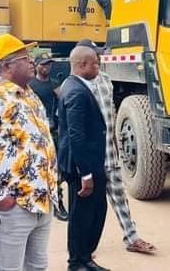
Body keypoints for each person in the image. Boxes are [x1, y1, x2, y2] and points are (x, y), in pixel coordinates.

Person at [0, 34, 58, 271]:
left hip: (42, 200)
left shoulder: (31, 95)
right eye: (25, 58)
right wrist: (0, 198)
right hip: (13, 207)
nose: (32, 62)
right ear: (6, 66)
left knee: (37, 266)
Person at [76, 39, 157, 254]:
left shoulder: (105, 80)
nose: (98, 61)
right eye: (94, 57)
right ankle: (84, 249)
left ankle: (132, 238)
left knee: (119, 197)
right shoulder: (77, 86)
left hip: (110, 154)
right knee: (90, 205)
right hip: (90, 158)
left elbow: (110, 113)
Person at [58, 45, 109, 271]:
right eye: (95, 63)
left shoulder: (74, 86)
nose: (98, 66)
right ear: (82, 65)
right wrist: (86, 174)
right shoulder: (76, 91)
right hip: (83, 165)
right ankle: (78, 262)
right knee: (83, 215)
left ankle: (84, 258)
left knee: (93, 211)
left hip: (87, 162)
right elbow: (76, 136)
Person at [29, 54, 69, 222]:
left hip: (52, 132)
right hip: (34, 133)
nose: (47, 67)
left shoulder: (54, 84)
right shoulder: (30, 85)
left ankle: (58, 203)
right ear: (37, 66)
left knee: (55, 168)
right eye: (44, 64)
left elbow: (65, 100)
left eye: (49, 65)